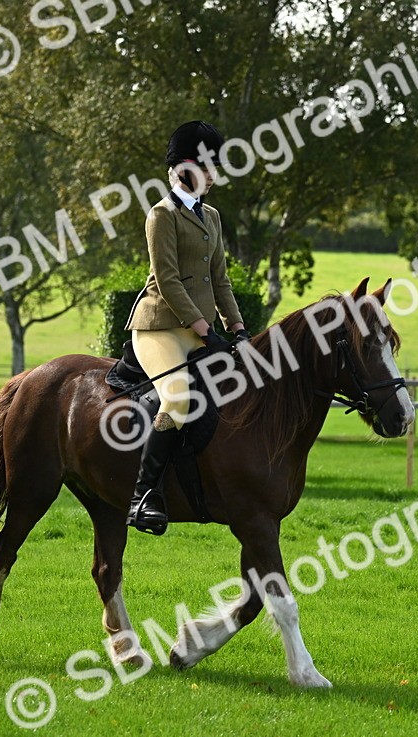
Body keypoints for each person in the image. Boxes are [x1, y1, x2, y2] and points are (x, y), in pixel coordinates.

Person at [123, 120, 248, 536]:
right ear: (185, 169)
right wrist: (202, 327)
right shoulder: (161, 216)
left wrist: (238, 327)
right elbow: (169, 279)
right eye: (208, 167)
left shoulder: (211, 217)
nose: (213, 177)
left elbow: (221, 279)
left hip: (200, 330)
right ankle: (144, 495)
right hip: (160, 328)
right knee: (177, 401)